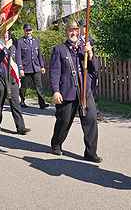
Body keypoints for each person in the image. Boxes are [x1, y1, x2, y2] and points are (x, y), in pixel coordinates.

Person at [49, 20, 101, 162]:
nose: (74, 33)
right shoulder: (59, 49)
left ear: (80, 31)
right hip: (67, 92)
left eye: (76, 30)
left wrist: (90, 55)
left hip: (85, 91)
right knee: (64, 121)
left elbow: (94, 69)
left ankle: (91, 153)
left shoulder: (85, 48)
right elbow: (54, 72)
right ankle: (56, 144)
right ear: (66, 32)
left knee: (90, 121)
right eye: (71, 30)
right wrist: (55, 91)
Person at [0, 29, 30, 135]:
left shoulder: (13, 46)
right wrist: (6, 47)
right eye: (3, 33)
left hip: (12, 78)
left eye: (7, 33)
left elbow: (15, 63)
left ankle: (20, 127)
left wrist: (18, 79)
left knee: (16, 103)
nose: (6, 35)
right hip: (0, 78)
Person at [17, 23, 47, 109]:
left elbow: (39, 54)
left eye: (30, 30)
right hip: (26, 68)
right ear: (24, 31)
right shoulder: (20, 41)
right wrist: (20, 68)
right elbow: (18, 56)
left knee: (39, 86)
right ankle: (22, 101)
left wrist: (42, 66)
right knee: (23, 87)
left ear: (32, 31)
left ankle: (42, 103)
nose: (28, 32)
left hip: (35, 67)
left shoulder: (35, 40)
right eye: (27, 30)